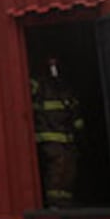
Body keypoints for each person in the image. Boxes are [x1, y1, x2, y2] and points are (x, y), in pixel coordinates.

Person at [30, 56, 84, 208]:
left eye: (56, 64)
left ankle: (65, 201)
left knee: (69, 169)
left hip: (67, 137)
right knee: (57, 167)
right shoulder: (38, 84)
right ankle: (53, 203)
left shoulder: (66, 88)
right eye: (50, 64)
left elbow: (75, 113)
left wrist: (79, 132)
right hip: (48, 135)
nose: (53, 68)